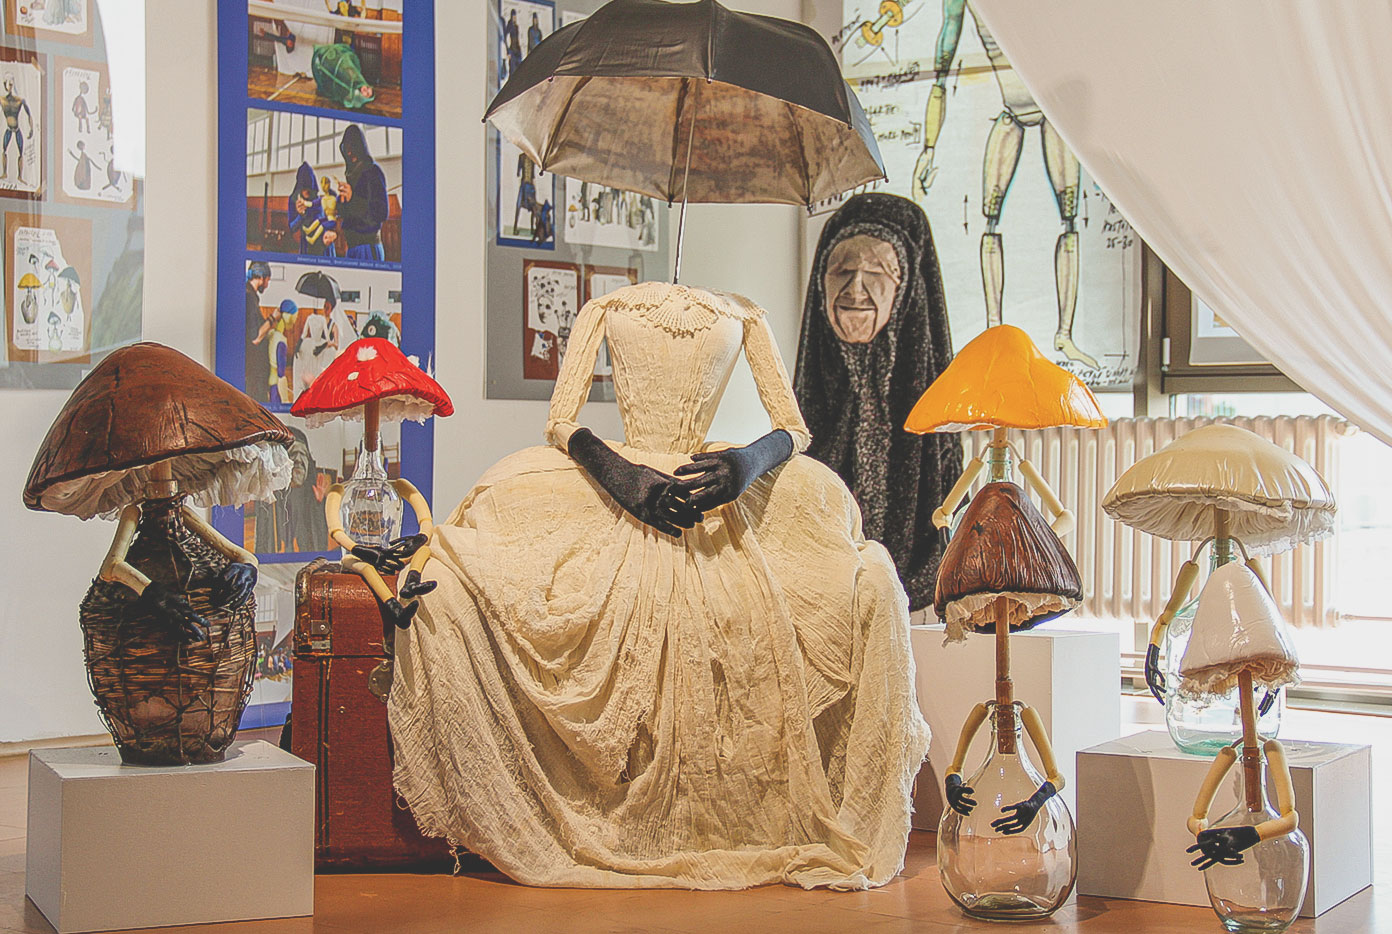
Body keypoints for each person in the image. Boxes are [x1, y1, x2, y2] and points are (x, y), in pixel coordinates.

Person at [389, 281, 929, 889]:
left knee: (859, 576)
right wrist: (621, 476)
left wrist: (745, 465)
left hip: (707, 478)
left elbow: (794, 429)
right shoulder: (608, 306)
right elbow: (561, 420)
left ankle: (742, 813)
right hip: (628, 474)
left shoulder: (744, 312)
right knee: (474, 569)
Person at [794, 193, 963, 614]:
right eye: (842, 270)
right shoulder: (817, 397)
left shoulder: (918, 401)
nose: (855, 289)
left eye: (876, 273)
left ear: (903, 290)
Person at [911, 0, 1096, 369]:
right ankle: (994, 328)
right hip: (1011, 113)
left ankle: (1064, 335)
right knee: (991, 221)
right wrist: (928, 149)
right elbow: (940, 76)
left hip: (1054, 115)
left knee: (1068, 220)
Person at [336, 125, 388, 262]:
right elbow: (349, 215)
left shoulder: (373, 171)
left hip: (368, 248)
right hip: (353, 247)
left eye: (352, 148)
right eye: (347, 149)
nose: (349, 153)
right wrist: (341, 201)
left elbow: (381, 213)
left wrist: (352, 198)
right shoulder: (352, 175)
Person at [288, 161, 336, 256]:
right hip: (307, 245)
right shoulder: (293, 200)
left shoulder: (318, 200)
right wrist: (301, 215)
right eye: (304, 188)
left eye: (309, 188)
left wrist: (331, 232)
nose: (306, 191)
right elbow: (292, 228)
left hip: (323, 244)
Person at [244, 262, 272, 398]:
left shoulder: (250, 295)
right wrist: (274, 318)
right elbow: (255, 337)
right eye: (267, 280)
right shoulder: (249, 297)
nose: (267, 285)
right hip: (254, 370)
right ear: (261, 278)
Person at [1, 74, 34, 184]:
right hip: (8, 129)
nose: (9, 86)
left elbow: (29, 114)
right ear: (4, 85)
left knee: (20, 153)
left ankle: (20, 176)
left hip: (17, 129)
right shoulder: (2, 100)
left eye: (11, 84)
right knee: (4, 150)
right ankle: (4, 173)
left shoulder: (19, 100)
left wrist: (31, 128)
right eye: (8, 84)